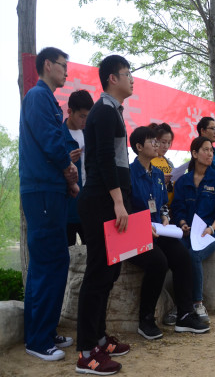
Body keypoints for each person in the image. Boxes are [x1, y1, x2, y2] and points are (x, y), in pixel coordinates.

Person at [75, 55, 133, 375]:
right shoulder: (104, 111)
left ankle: (99, 339)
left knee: (109, 273)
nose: (131, 79)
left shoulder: (113, 111)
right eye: (127, 73)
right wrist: (118, 202)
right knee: (98, 274)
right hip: (100, 201)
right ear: (113, 78)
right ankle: (86, 353)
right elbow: (104, 160)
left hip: (109, 200)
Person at [19, 47, 79, 361]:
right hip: (41, 190)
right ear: (47, 65)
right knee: (48, 261)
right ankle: (38, 340)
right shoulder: (37, 97)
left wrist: (66, 177)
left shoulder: (48, 100)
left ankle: (44, 330)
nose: (66, 71)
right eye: (62, 65)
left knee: (53, 260)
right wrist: (68, 169)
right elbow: (51, 142)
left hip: (50, 190)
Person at [128, 126, 209, 339]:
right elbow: (125, 210)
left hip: (159, 230)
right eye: (152, 142)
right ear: (138, 147)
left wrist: (164, 216)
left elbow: (163, 204)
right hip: (136, 233)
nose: (157, 145)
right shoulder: (128, 174)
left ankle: (185, 315)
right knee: (158, 261)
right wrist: (143, 225)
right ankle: (146, 319)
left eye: (158, 142)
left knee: (183, 256)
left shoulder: (157, 174)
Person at [171, 137, 215, 323]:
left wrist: (211, 229)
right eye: (205, 150)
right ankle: (180, 305)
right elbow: (177, 208)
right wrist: (182, 223)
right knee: (177, 253)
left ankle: (197, 303)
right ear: (195, 154)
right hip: (187, 232)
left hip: (211, 233)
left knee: (193, 255)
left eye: (211, 150)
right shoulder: (183, 181)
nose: (210, 154)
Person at [63, 89, 94, 246]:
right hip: (67, 208)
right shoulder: (58, 136)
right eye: (82, 116)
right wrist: (65, 161)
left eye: (88, 116)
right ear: (70, 111)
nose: (85, 121)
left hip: (89, 206)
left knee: (93, 252)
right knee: (66, 253)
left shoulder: (91, 134)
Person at [149, 122, 176, 204]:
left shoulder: (169, 163)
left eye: (169, 143)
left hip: (170, 207)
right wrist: (160, 180)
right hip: (154, 205)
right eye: (163, 142)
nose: (166, 146)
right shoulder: (148, 161)